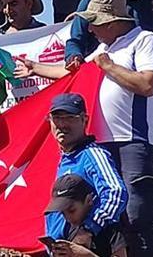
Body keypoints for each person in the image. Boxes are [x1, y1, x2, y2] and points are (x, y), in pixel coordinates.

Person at [19, 0, 153, 255]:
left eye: (94, 22)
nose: (90, 29)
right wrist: (35, 67)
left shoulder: (144, 39)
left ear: (110, 22)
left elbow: (147, 84)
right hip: (99, 143)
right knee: (101, 211)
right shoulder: (103, 48)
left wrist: (108, 67)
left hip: (132, 139)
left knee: (135, 212)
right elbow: (73, 74)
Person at [44, 94, 127, 257]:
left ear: (84, 120)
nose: (62, 124)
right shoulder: (65, 159)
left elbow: (116, 193)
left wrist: (88, 229)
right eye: (57, 118)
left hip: (94, 246)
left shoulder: (92, 154)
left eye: (69, 118)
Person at [45, 174, 127, 257]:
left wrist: (86, 255)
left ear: (89, 200)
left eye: (72, 211)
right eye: (62, 213)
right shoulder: (66, 231)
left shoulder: (110, 228)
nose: (68, 218)